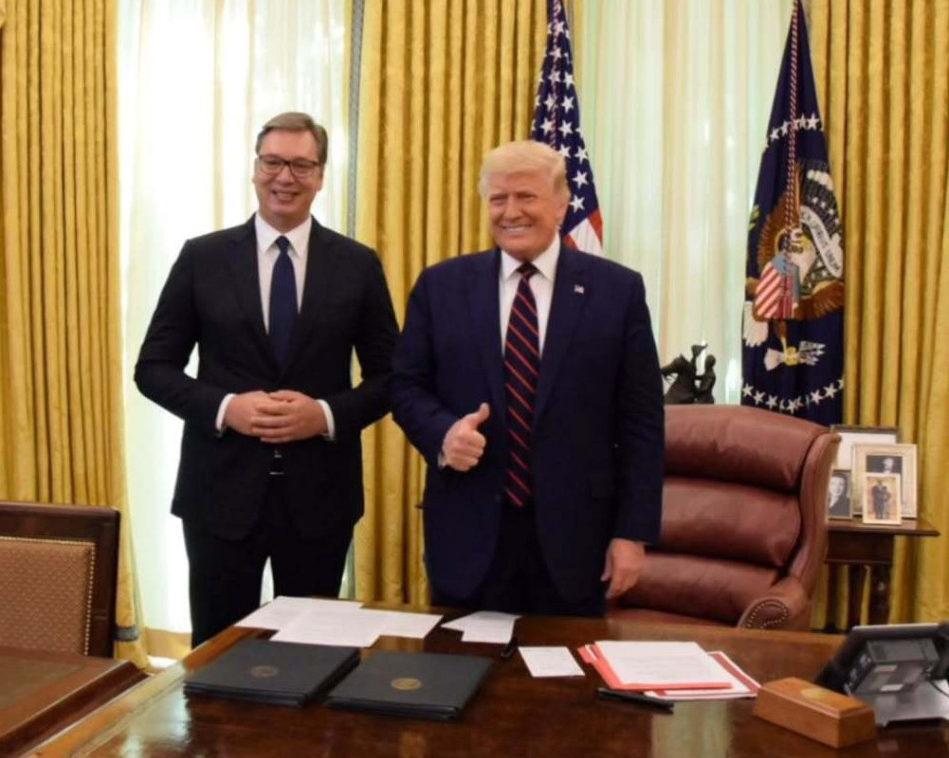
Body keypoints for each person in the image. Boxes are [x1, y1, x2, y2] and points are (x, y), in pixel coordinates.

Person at [135, 112, 399, 646]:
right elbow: (153, 368)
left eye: (301, 165)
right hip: (218, 495)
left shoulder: (357, 264)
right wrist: (225, 407)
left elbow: (393, 377)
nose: (285, 177)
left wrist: (324, 415)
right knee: (216, 655)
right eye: (273, 162)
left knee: (310, 655)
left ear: (320, 176)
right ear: (255, 169)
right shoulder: (202, 257)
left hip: (320, 497)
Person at [390, 140, 664, 616]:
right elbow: (404, 385)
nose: (511, 212)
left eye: (526, 196)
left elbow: (642, 421)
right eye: (498, 199)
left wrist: (632, 533)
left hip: (577, 542)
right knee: (459, 662)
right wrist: (444, 434)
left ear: (561, 204)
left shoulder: (617, 291)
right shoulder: (441, 286)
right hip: (467, 536)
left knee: (564, 665)